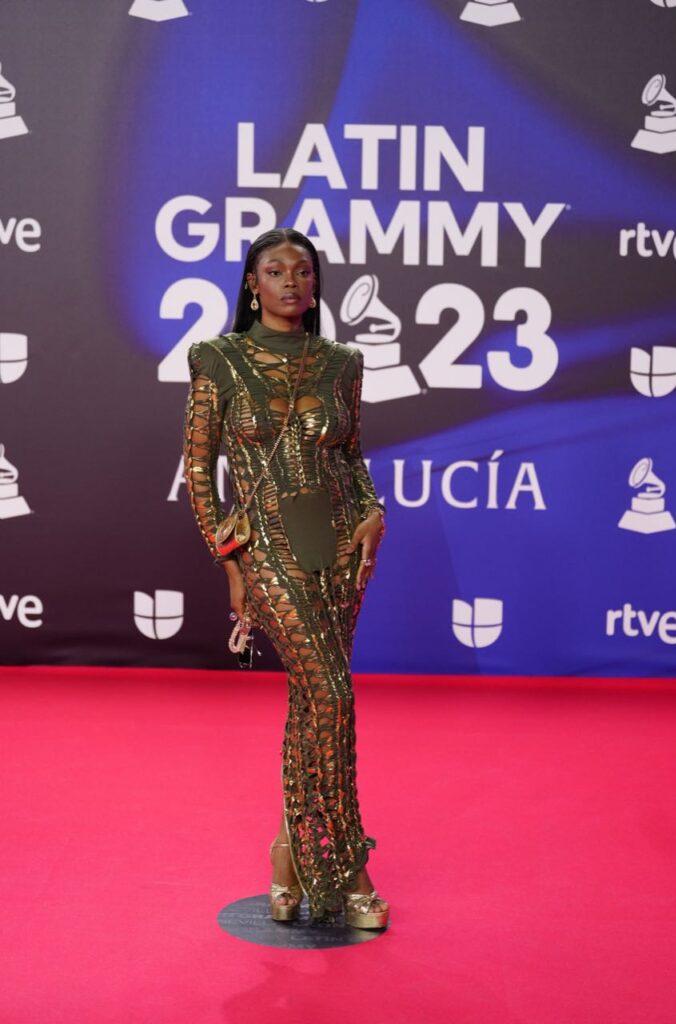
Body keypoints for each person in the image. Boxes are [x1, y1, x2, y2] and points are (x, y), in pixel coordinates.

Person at [182, 228, 389, 929]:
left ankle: (285, 858)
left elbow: (351, 456)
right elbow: (198, 468)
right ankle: (348, 867)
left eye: (302, 270)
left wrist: (374, 510)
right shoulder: (218, 358)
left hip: (340, 546)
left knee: (310, 702)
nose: (291, 281)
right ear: (252, 284)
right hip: (267, 547)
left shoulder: (343, 362)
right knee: (332, 694)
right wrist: (228, 560)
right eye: (275, 270)